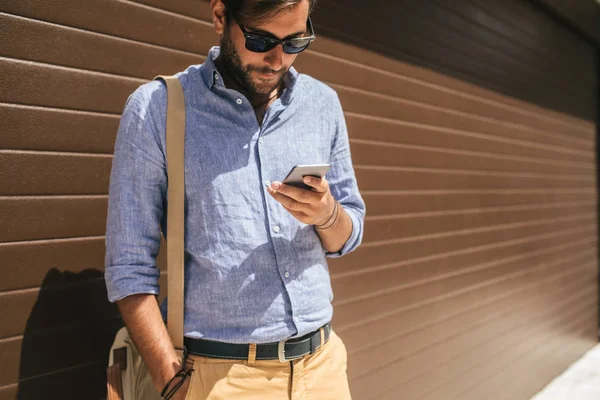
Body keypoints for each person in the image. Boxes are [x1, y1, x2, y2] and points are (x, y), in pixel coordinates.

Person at [104, 0, 365, 398]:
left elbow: (349, 234)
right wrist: (170, 381)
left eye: (296, 41)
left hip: (322, 367)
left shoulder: (322, 104)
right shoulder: (157, 109)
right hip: (220, 380)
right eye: (261, 40)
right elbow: (128, 267)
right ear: (220, 16)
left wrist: (327, 215)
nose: (278, 59)